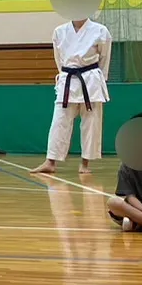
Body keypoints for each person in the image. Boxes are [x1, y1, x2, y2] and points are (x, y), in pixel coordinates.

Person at [31, 13, 112, 177]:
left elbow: (104, 59)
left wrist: (99, 79)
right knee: (59, 122)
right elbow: (59, 60)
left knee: (91, 124)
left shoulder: (101, 31)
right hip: (68, 79)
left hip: (91, 81)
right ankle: (50, 161)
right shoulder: (59, 31)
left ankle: (85, 162)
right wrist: (65, 75)